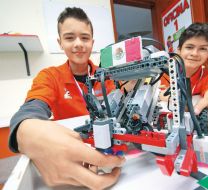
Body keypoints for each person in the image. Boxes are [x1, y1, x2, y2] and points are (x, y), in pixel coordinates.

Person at [9, 7, 125, 190]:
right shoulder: (49, 76)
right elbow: (32, 109)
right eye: (70, 37)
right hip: (70, 159)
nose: (78, 44)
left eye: (85, 38)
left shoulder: (107, 77)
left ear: (92, 42)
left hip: (112, 155)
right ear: (60, 42)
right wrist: (24, 129)